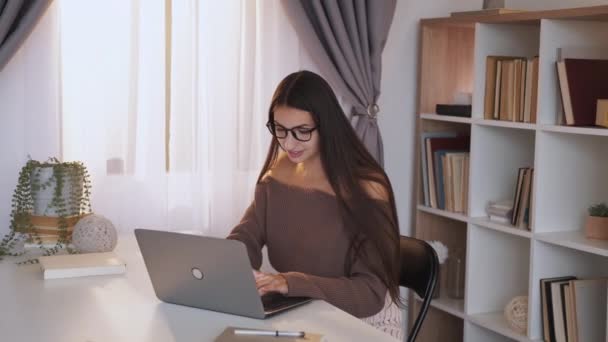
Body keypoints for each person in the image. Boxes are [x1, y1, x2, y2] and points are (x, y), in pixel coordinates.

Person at [227, 70, 403, 339]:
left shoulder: (367, 186)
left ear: (326, 125)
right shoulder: (278, 174)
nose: (288, 143)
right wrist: (224, 265)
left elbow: (369, 293)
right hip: (306, 309)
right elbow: (246, 236)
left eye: (302, 131)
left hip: (366, 321)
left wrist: (290, 282)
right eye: (280, 130)